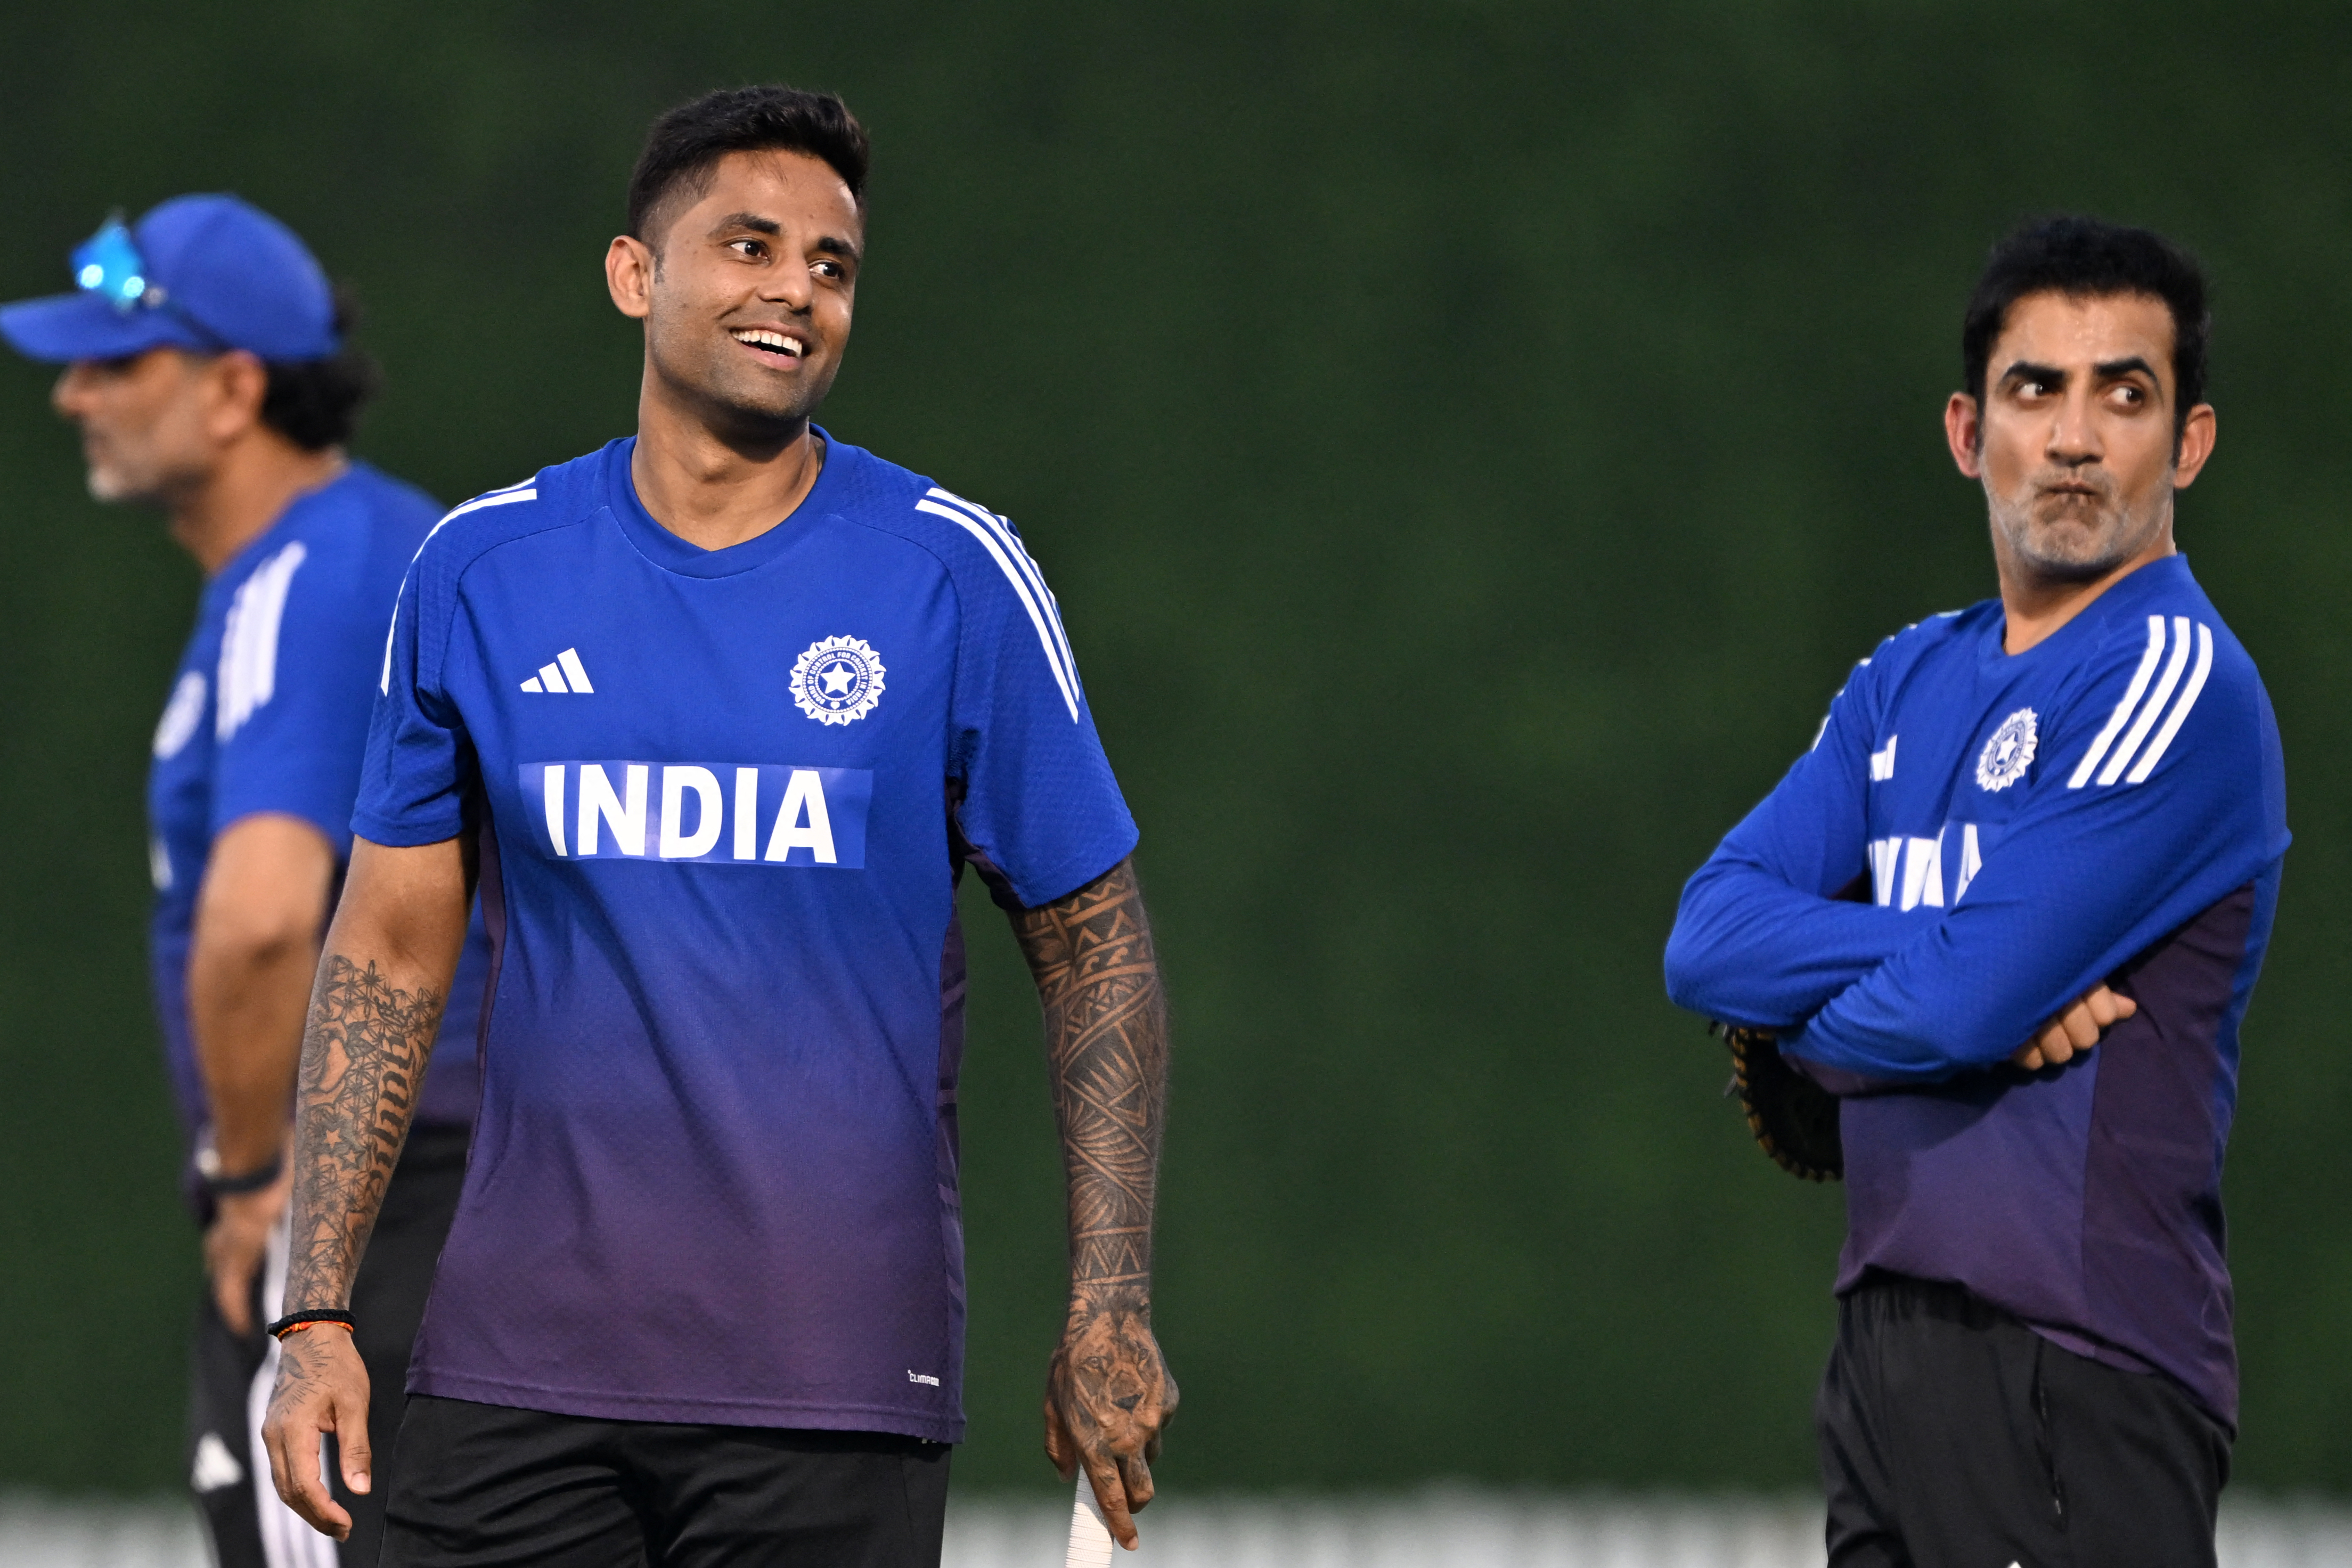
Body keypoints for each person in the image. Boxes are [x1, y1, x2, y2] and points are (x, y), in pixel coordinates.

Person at [258, 85, 1176, 1567]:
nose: (795, 292)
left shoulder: (952, 575)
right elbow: (385, 956)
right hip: (514, 1377)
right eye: (749, 246)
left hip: (831, 1387)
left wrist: (1108, 1304)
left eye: (831, 265)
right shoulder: (480, 573)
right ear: (637, 276)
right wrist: (316, 1313)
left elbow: (1097, 951)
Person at [1664, 216, 2285, 1568]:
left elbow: (1953, 1006)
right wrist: (1944, 979)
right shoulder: (1904, 680)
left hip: (2074, 1362)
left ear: (2188, 446)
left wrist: (1828, 1021)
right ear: (1966, 430)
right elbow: (1706, 934)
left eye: (2125, 393)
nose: (2074, 436)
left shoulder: (2172, 678)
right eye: (2034, 389)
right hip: (1885, 1353)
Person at [0, 197, 493, 1566]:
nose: (72, 395)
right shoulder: (343, 556)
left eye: (115, 363)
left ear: (232, 390)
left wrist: (255, 1175)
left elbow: (267, 917)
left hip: (370, 1189)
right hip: (431, 1188)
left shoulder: (314, 571)